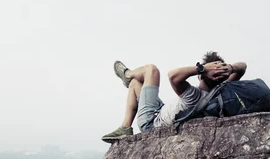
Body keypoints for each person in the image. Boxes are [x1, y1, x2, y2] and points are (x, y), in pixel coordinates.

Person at [101, 52, 247, 142]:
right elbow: (243, 66)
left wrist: (202, 69)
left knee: (151, 70)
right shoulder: (218, 92)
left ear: (201, 76)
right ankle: (125, 127)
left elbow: (173, 75)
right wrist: (231, 68)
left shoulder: (193, 95)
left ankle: (127, 74)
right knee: (136, 83)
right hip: (162, 110)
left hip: (151, 121)